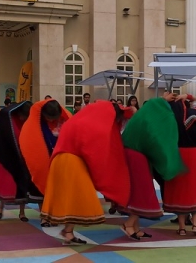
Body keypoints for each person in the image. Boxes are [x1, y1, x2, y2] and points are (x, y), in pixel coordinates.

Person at [39, 101, 132, 245]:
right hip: (72, 161)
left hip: (59, 160)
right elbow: (93, 153)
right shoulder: (92, 126)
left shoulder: (77, 121)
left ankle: (68, 232)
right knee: (79, 198)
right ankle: (67, 231)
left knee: (69, 199)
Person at [120, 93, 186, 240]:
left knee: (139, 191)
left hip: (135, 156)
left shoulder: (143, 117)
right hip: (135, 157)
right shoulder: (150, 117)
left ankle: (135, 227)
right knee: (143, 192)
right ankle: (129, 224)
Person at [162, 93, 196, 236]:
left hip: (177, 155)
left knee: (181, 191)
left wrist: (164, 99)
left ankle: (181, 228)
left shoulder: (169, 118)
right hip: (194, 156)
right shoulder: (195, 115)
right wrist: (187, 95)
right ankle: (195, 226)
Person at [20, 99, 72, 227]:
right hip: (41, 160)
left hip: (58, 159)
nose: (51, 120)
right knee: (41, 188)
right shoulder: (34, 123)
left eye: (54, 118)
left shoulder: (64, 120)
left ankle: (54, 215)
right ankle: (44, 216)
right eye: (49, 117)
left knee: (56, 190)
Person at [0, 101, 33, 221]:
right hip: (6, 156)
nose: (24, 118)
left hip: (21, 156)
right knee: (4, 183)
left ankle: (22, 212)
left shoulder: (26, 121)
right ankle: (0, 207)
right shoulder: (7, 118)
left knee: (22, 184)